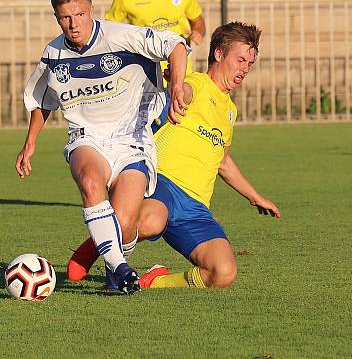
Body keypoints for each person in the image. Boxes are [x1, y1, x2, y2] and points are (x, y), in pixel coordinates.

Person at [67, 22, 281, 289]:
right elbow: (184, 90)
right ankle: (96, 245)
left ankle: (151, 282)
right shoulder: (199, 84)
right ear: (219, 54)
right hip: (164, 184)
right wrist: (178, 91)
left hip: (196, 207)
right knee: (151, 221)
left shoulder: (230, 111)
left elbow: (223, 161)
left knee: (223, 272)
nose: (244, 68)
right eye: (240, 59)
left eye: (250, 63)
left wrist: (256, 197)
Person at [15, 0, 189, 294]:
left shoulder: (122, 37)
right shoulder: (54, 53)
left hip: (132, 140)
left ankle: (109, 259)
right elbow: (42, 99)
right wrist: (30, 143)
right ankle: (121, 268)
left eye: (79, 15)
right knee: (91, 183)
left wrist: (176, 85)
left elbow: (175, 45)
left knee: (124, 225)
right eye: (65, 18)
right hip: (87, 138)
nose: (73, 24)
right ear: (57, 18)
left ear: (91, 10)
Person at [105, 0, 206, 131]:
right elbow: (109, 32)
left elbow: (198, 21)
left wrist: (198, 32)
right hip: (147, 81)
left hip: (182, 76)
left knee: (185, 136)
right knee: (153, 139)